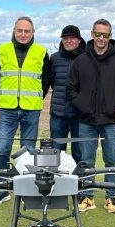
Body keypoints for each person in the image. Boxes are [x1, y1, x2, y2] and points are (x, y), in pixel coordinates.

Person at [67, 19, 115, 213]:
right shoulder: (81, 60)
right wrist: (82, 105)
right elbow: (71, 87)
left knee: (111, 160)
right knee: (87, 161)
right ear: (92, 34)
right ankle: (87, 197)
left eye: (105, 35)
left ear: (110, 36)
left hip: (110, 120)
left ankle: (111, 198)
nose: (101, 38)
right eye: (98, 34)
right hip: (87, 120)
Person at [0, 16, 50, 204]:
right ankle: (3, 188)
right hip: (7, 108)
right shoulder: (2, 49)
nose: (23, 34)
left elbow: (46, 80)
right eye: (20, 30)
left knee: (28, 151)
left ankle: (26, 190)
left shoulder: (41, 52)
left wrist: (33, 98)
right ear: (14, 31)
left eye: (27, 31)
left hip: (31, 109)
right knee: (2, 148)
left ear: (33, 33)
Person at [47, 25, 86, 161]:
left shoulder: (87, 58)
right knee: (56, 154)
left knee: (79, 154)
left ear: (79, 40)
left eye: (72, 38)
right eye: (65, 38)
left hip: (80, 115)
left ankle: (79, 176)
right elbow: (52, 81)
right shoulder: (54, 58)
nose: (69, 41)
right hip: (58, 115)